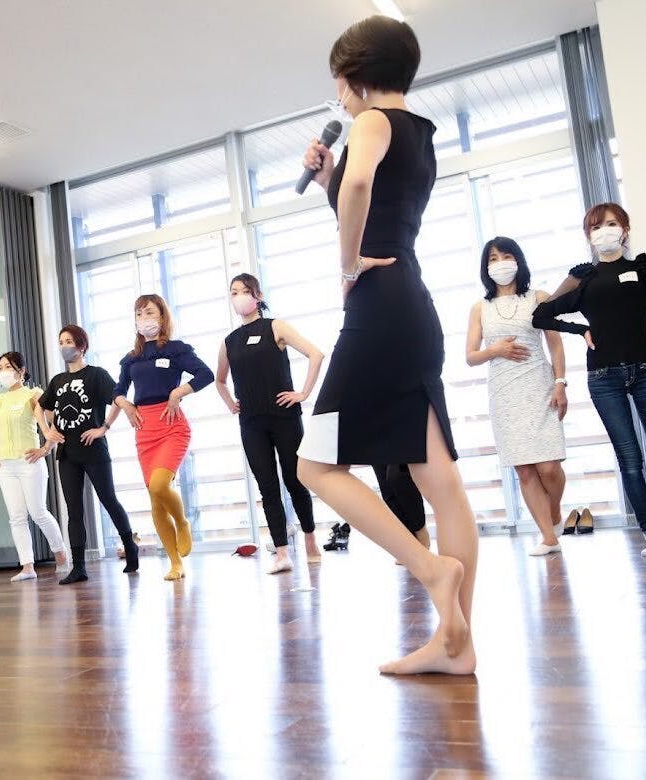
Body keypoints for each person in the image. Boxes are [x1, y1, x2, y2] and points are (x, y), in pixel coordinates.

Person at [296, 15, 477, 675]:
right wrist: (328, 183)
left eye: (337, 80)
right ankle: (457, 647)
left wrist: (347, 263)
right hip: (410, 305)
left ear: (354, 74)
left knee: (314, 467)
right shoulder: (419, 132)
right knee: (441, 482)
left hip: (379, 309)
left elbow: (362, 188)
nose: (337, 94)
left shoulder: (372, 121)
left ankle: (431, 569)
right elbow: (369, 201)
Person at [533, 203, 646, 558]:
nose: (604, 231)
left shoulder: (645, 266)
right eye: (596, 227)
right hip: (604, 377)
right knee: (629, 457)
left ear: (625, 229)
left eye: (611, 223)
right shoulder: (583, 277)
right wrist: (579, 329)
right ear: (588, 236)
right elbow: (541, 315)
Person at [466, 238, 569, 555]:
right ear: (485, 267)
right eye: (493, 258)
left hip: (539, 385)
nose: (500, 263)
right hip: (504, 392)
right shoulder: (480, 308)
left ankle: (554, 511)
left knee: (548, 467)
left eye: (506, 256)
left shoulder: (539, 298)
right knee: (524, 469)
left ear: (518, 260)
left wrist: (560, 383)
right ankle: (548, 537)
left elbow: (555, 345)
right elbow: (470, 356)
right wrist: (495, 349)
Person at [216, 273, 324, 573]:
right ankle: (281, 552)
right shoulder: (229, 342)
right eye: (233, 292)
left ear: (258, 295)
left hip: (284, 417)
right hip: (251, 423)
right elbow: (219, 380)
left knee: (295, 479)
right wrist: (230, 403)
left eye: (244, 291)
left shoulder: (275, 327)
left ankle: (310, 537)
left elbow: (316, 354)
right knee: (267, 487)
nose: (239, 296)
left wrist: (303, 393)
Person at [113, 294, 214, 581]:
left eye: (149, 312)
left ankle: (182, 522)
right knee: (155, 500)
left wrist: (178, 392)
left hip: (171, 425)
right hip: (144, 429)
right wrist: (125, 405)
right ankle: (175, 563)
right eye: (139, 313)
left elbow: (205, 374)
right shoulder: (131, 358)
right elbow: (118, 390)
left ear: (162, 316)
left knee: (159, 485)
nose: (144, 318)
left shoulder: (175, 350)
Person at [36, 325, 139, 584]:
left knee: (108, 499)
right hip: (67, 454)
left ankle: (130, 546)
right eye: (61, 342)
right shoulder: (57, 381)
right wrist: (48, 431)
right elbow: (40, 407)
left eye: (69, 341)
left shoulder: (96, 375)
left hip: (94, 450)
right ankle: (79, 567)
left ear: (82, 346)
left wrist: (104, 428)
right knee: (74, 509)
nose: (64, 346)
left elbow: (117, 398)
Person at [0, 352, 68, 583]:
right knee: (16, 517)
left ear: (21, 371)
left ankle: (61, 555)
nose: (3, 371)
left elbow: (55, 420)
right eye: (0, 367)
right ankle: (27, 566)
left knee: (38, 512)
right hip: (6, 466)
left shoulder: (34, 395)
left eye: (8, 367)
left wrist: (45, 449)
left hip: (29, 462)